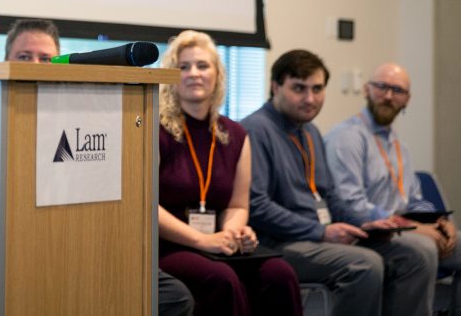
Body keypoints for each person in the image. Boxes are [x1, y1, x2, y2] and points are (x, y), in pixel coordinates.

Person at [3, 19, 194, 316]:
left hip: (93, 243)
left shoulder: (88, 116)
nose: (35, 65)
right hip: (33, 249)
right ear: (6, 62)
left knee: (176, 298)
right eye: (24, 57)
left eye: (45, 58)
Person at [242, 50, 435, 316]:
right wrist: (321, 232)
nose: (310, 99)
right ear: (275, 86)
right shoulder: (255, 130)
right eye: (299, 88)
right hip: (277, 242)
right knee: (364, 265)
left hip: (320, 236)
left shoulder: (310, 131)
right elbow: (257, 207)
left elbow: (330, 197)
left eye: (317, 89)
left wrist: (363, 222)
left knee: (414, 257)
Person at [157, 30, 301, 316]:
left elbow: (237, 205)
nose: (193, 74)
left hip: (216, 242)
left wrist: (235, 231)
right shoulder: (154, 130)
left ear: (217, 75)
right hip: (168, 246)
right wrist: (202, 240)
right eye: (183, 67)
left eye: (202, 65)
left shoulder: (235, 134)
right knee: (222, 280)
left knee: (279, 274)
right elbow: (146, 207)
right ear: (171, 77)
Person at [325, 62, 460, 310]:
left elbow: (413, 198)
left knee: (455, 243)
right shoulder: (347, 137)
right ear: (366, 89)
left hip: (399, 229)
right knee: (422, 249)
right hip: (364, 234)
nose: (388, 96)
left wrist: (439, 221)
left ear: (407, 100)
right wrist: (409, 228)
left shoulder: (398, 144)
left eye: (397, 90)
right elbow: (350, 204)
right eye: (382, 87)